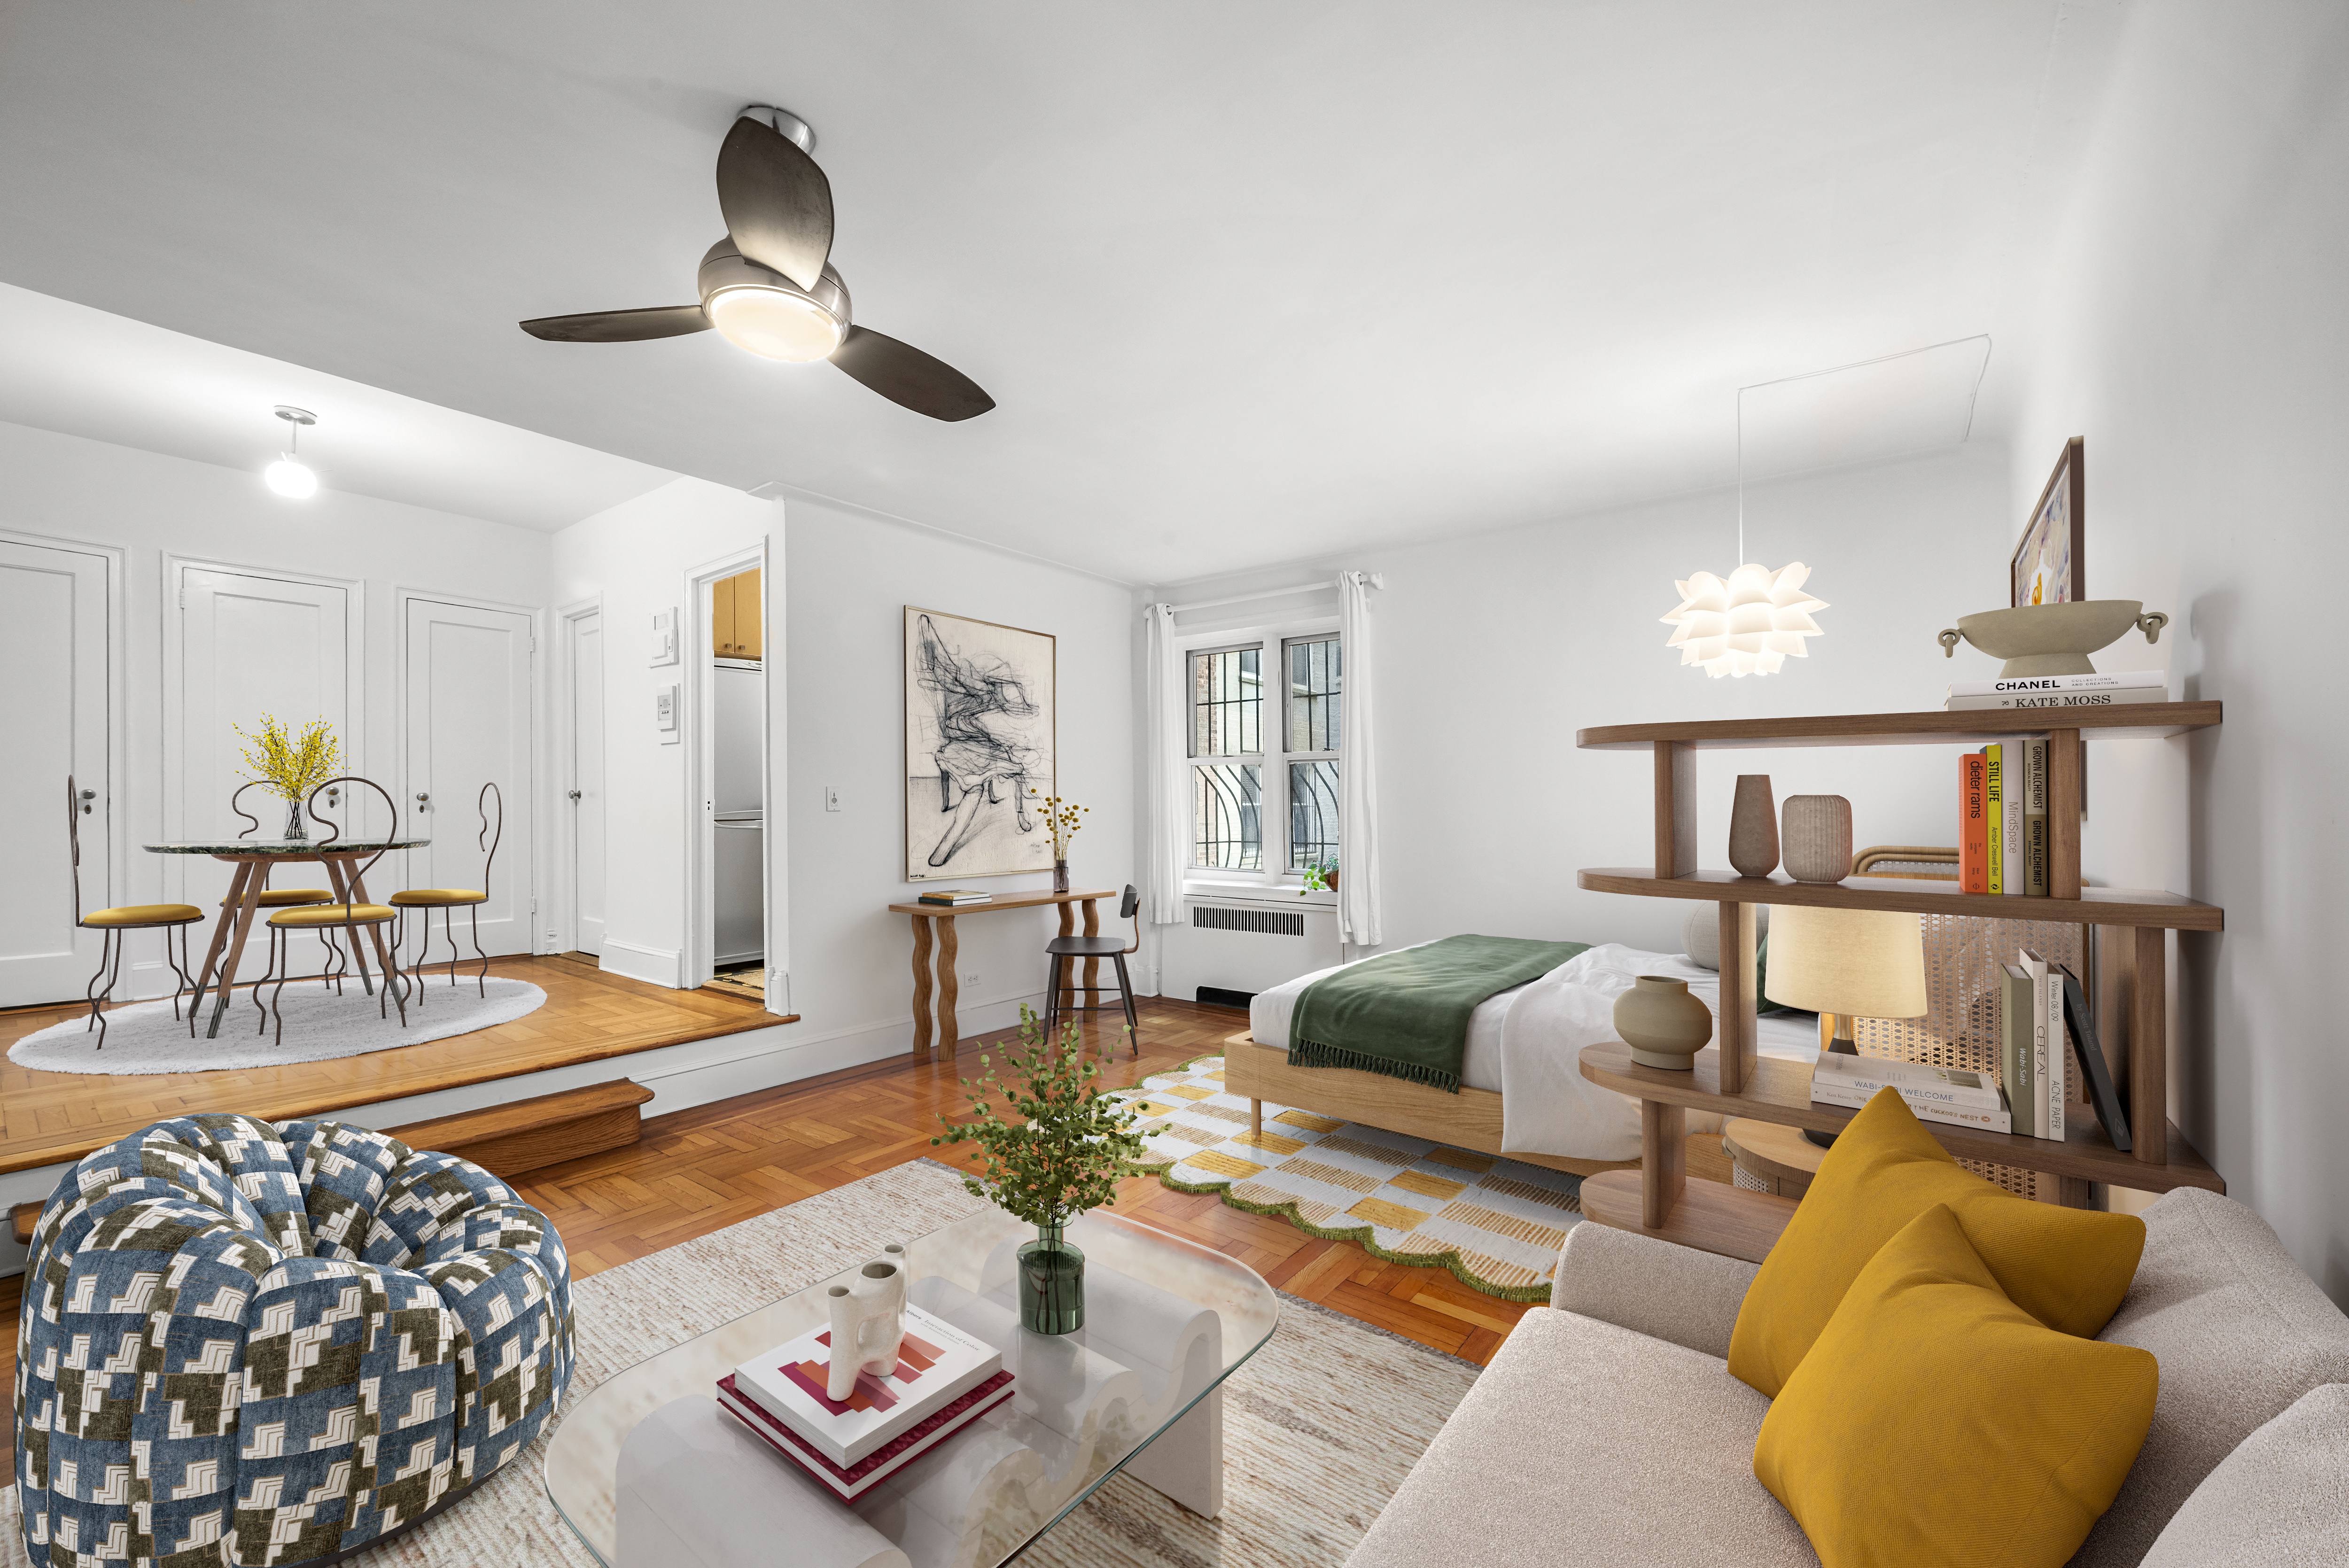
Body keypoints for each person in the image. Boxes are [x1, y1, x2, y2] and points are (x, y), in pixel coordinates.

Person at [913, 614, 1040, 867]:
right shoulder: (962, 684)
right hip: (964, 749)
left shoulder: (980, 689)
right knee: (978, 785)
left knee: (1000, 761)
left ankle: (1015, 812)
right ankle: (946, 845)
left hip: (974, 745)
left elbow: (1018, 713)